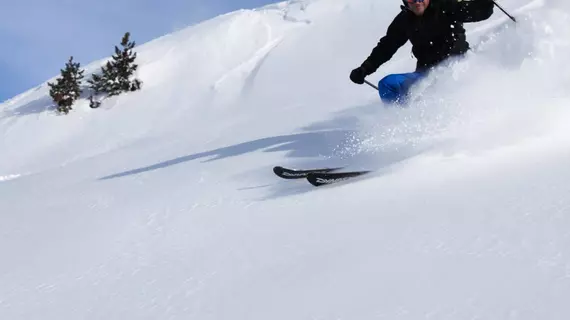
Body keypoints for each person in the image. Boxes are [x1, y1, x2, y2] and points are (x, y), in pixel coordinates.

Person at [350, 0, 495, 103]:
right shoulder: (404, 20)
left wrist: (485, 4)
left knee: (437, 87)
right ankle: (403, 119)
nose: (417, 2)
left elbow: (475, 12)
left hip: (457, 68)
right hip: (425, 75)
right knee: (387, 84)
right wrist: (365, 69)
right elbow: (386, 47)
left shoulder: (445, 6)